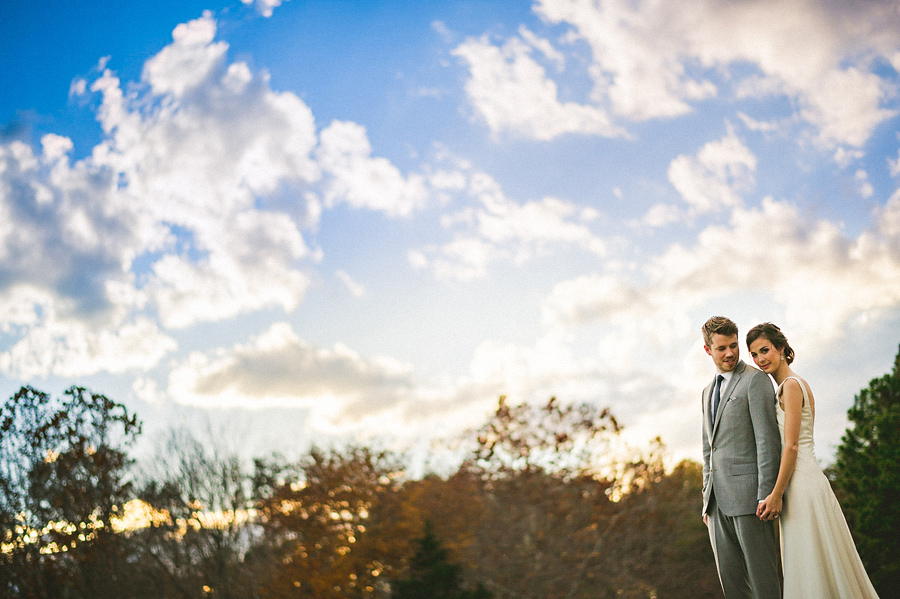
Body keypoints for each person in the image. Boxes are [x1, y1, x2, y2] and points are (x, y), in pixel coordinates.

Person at [746, 323, 880, 598]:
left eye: (765, 350)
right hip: (801, 480)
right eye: (755, 355)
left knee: (810, 561)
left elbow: (792, 446)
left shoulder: (792, 386)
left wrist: (776, 494)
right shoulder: (790, 385)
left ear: (781, 348)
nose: (760, 360)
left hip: (801, 484)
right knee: (810, 559)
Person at [701, 316, 781, 599]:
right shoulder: (707, 392)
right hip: (715, 504)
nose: (730, 353)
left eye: (733, 346)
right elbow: (707, 449)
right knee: (732, 586)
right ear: (708, 350)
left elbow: (767, 441)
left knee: (763, 582)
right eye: (722, 348)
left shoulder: (755, 381)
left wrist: (766, 494)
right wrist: (705, 501)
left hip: (751, 501)